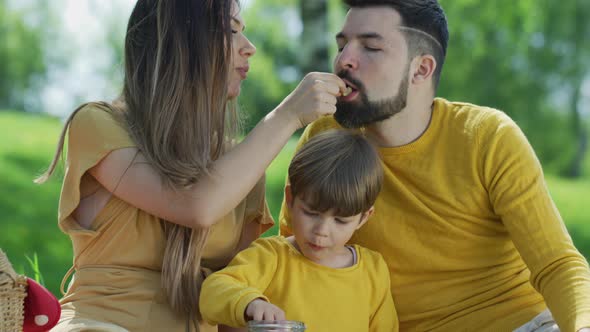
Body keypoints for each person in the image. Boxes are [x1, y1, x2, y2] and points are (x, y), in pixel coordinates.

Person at [35, 0, 347, 331]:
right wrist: (287, 115)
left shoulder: (239, 171)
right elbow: (196, 205)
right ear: (180, 42)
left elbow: (232, 300)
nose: (250, 48)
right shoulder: (98, 124)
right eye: (231, 31)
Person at [279, 1, 590, 331]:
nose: (343, 60)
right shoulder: (324, 136)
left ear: (421, 69)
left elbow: (557, 263)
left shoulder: (488, 137)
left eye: (370, 47)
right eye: (341, 46)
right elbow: (291, 260)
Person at [200, 130, 398, 332]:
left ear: (363, 218)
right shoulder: (271, 257)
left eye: (340, 220)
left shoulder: (373, 272)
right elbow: (213, 291)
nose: (321, 231)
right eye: (311, 213)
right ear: (290, 199)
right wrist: (251, 303)